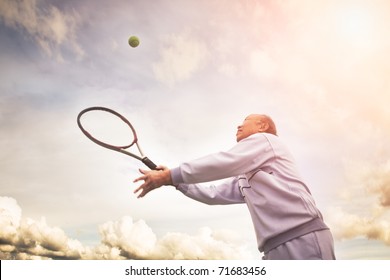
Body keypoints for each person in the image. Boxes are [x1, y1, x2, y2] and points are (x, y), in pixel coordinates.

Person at [133, 114, 335, 260]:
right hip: (273, 249)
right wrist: (174, 181)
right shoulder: (245, 176)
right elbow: (212, 194)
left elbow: (225, 161)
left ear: (262, 126)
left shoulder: (267, 141)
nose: (238, 126)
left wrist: (171, 174)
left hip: (303, 238)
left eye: (244, 122)